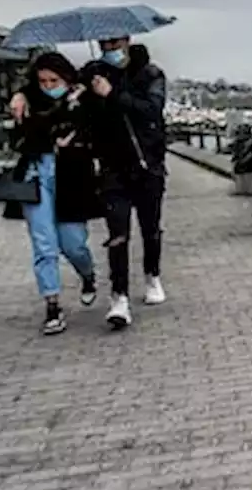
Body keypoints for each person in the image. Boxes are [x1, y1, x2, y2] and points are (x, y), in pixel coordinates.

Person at [12, 37, 169, 330]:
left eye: (115, 40)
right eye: (105, 41)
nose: (110, 46)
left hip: (147, 164)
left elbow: (151, 110)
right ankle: (116, 298)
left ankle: (151, 275)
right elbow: (62, 87)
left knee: (148, 228)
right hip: (110, 168)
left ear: (127, 39)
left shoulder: (149, 74)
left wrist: (113, 95)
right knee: (115, 234)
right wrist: (21, 94)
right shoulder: (93, 72)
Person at [11, 52, 100, 335]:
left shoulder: (83, 100)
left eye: (54, 80)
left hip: (71, 175)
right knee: (44, 243)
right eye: (43, 81)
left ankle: (87, 274)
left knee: (73, 242)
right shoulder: (28, 102)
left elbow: (97, 129)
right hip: (37, 172)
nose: (49, 86)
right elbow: (19, 138)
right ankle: (52, 305)